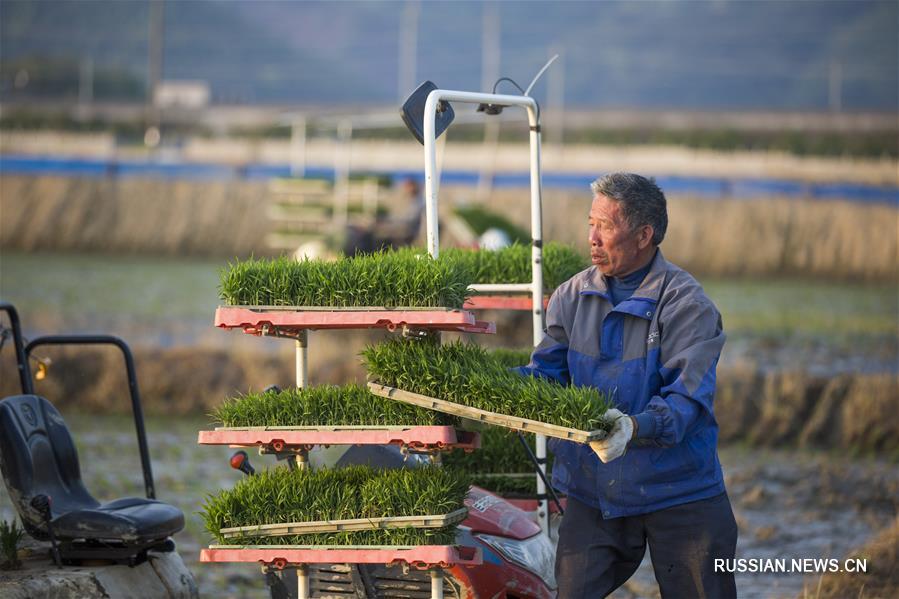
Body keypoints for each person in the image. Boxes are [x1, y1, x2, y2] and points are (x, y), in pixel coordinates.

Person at [517, 173, 738, 598]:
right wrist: (489, 392)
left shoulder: (687, 305)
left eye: (606, 225)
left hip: (680, 490)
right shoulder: (571, 296)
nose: (592, 237)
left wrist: (633, 427)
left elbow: (687, 401)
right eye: (590, 223)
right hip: (595, 488)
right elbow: (545, 376)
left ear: (644, 235)